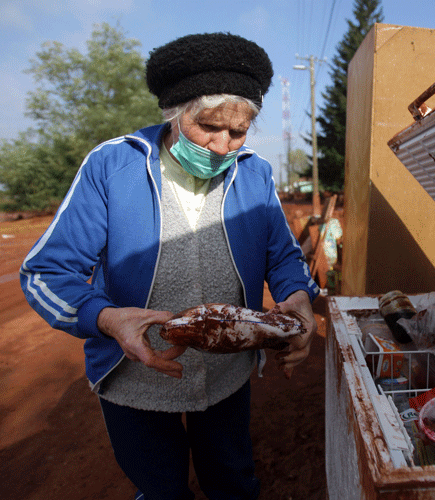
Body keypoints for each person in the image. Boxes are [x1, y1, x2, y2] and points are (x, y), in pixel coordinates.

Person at [19, 32, 320, 500]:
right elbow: (46, 272)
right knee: (161, 490)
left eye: (237, 132)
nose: (223, 146)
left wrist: (299, 300)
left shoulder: (254, 172)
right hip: (134, 379)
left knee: (234, 483)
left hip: (226, 374)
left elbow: (281, 255)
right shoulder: (112, 166)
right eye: (209, 127)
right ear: (174, 114)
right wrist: (107, 318)